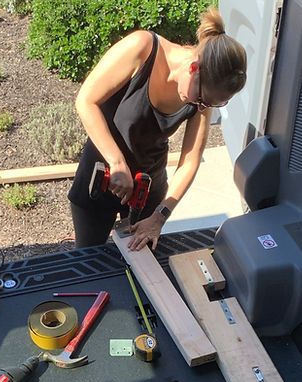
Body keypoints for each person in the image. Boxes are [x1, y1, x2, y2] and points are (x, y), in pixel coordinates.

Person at [69, 7, 247, 251]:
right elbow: (86, 101)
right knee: (88, 260)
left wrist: (160, 215)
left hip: (147, 189)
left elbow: (190, 160)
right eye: (201, 99)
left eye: (209, 104)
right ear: (194, 68)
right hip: (102, 177)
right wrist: (117, 162)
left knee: (140, 267)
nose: (201, 106)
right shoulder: (141, 48)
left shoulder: (202, 97)